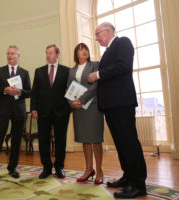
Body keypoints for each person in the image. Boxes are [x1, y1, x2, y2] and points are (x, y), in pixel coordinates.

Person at [88, 22, 147, 198]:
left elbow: (123, 66)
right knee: (121, 144)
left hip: (121, 102)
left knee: (129, 143)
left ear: (107, 32)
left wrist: (97, 74)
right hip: (110, 105)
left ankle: (138, 184)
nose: (96, 38)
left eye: (98, 34)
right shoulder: (107, 52)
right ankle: (128, 177)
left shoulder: (123, 42)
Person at [0, 45, 31, 179]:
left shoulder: (24, 73)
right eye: (8, 54)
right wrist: (4, 90)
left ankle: (12, 168)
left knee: (16, 140)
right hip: (3, 109)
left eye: (12, 53)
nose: (10, 56)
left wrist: (19, 92)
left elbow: (29, 91)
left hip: (19, 110)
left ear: (18, 56)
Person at [31, 44, 70, 179]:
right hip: (43, 111)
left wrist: (70, 107)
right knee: (43, 140)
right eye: (47, 53)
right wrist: (33, 108)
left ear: (57, 55)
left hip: (62, 111)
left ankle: (59, 167)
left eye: (51, 53)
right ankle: (46, 167)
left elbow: (70, 91)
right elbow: (34, 91)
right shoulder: (39, 71)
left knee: (60, 140)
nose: (48, 55)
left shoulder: (66, 71)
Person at [67, 43, 104, 185]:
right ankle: (89, 170)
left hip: (93, 107)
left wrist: (81, 100)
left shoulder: (95, 65)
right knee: (84, 139)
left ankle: (99, 171)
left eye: (86, 49)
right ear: (76, 54)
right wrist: (72, 103)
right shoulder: (72, 70)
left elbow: (96, 86)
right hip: (78, 109)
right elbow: (69, 89)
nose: (84, 52)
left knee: (95, 139)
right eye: (80, 50)